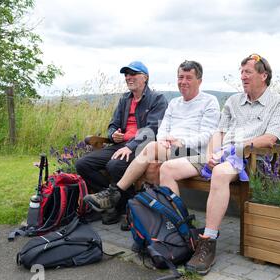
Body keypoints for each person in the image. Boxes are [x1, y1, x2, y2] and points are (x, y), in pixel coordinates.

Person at [159, 54, 280, 275]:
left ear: (263, 75)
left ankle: (208, 241)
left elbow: (270, 139)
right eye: (242, 72)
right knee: (167, 168)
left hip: (248, 158)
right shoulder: (232, 101)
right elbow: (218, 132)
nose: (243, 77)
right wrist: (212, 153)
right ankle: (182, 233)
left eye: (248, 72)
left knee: (219, 172)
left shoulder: (278, 102)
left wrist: (234, 149)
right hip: (220, 155)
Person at [83, 60, 221, 228]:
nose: (183, 81)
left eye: (188, 78)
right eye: (180, 77)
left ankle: (115, 194)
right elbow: (162, 128)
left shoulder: (209, 101)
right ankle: (161, 219)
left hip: (194, 151)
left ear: (199, 80)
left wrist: (181, 141)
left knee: (149, 149)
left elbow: (207, 134)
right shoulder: (174, 103)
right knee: (152, 166)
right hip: (171, 149)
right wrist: (164, 140)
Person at [75, 61, 168, 224]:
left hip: (142, 147)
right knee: (83, 164)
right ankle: (116, 203)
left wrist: (130, 146)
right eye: (126, 75)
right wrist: (114, 134)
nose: (128, 77)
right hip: (120, 146)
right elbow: (113, 124)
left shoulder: (157, 99)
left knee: (114, 165)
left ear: (145, 77)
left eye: (133, 74)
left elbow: (153, 129)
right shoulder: (124, 99)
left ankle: (122, 207)